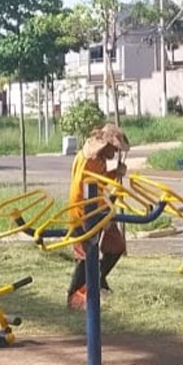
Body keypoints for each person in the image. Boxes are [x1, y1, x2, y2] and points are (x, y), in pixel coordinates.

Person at [67, 123, 129, 310]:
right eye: (114, 149)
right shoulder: (91, 159)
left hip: (98, 210)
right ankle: (74, 296)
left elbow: (99, 183)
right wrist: (103, 215)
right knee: (85, 256)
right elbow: (86, 189)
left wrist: (114, 173)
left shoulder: (99, 160)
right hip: (83, 212)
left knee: (116, 246)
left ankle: (98, 280)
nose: (115, 153)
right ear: (106, 145)